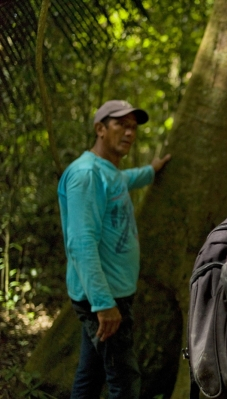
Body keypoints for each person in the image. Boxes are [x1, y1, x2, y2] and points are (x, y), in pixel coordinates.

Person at [57, 100, 171, 399]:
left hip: (112, 294)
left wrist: (152, 169)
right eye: (121, 124)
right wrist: (104, 304)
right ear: (100, 129)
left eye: (133, 127)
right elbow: (81, 243)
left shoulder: (108, 172)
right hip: (105, 299)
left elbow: (126, 179)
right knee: (124, 381)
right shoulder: (86, 175)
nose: (129, 133)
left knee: (91, 373)